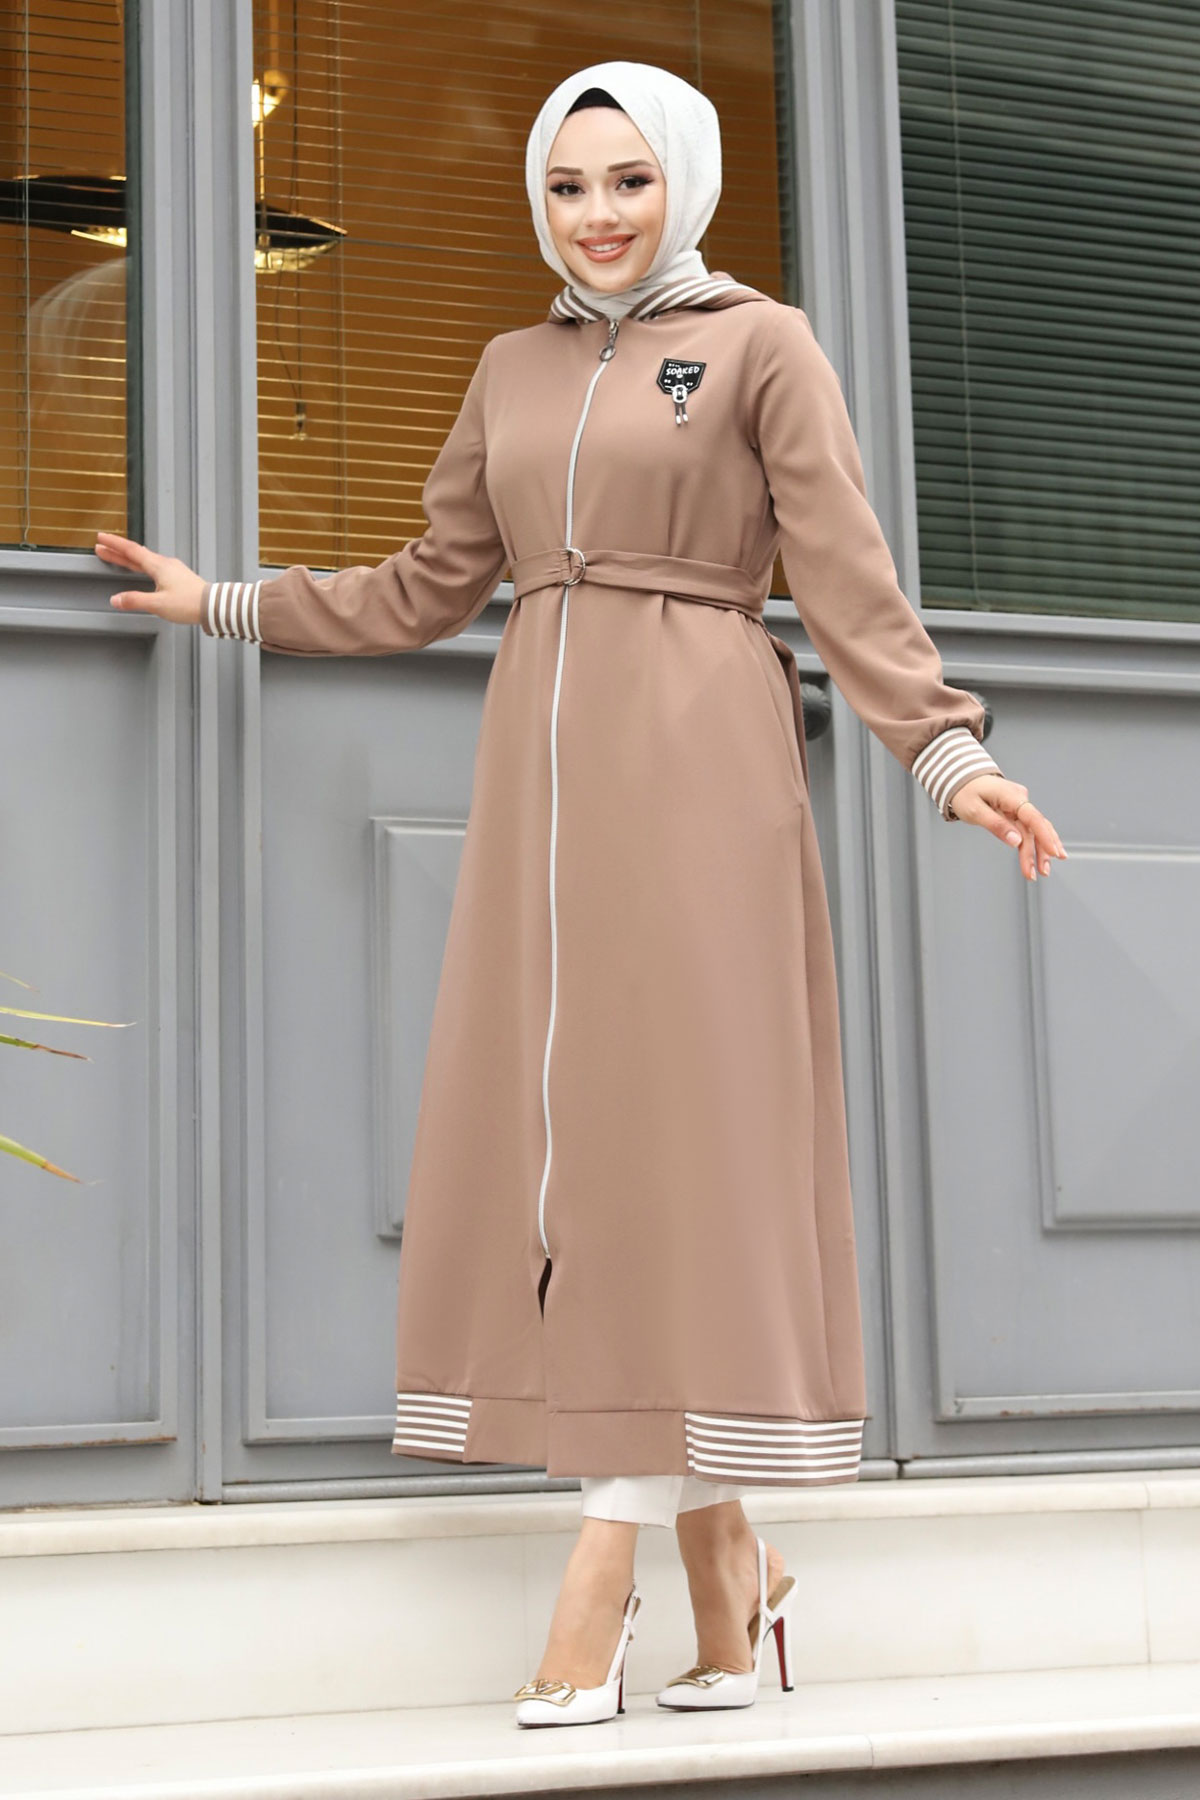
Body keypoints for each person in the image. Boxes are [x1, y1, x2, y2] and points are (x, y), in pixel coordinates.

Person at [95, 60, 1064, 1729]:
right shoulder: (510, 367)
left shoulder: (761, 344)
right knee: (586, 1162)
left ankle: (599, 1572)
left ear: (682, 181)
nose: (597, 214)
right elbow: (426, 587)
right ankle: (733, 1576)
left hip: (702, 768)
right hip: (543, 800)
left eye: (627, 180)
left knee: (682, 1151)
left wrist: (946, 753)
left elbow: (847, 579)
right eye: (565, 185)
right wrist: (222, 603)